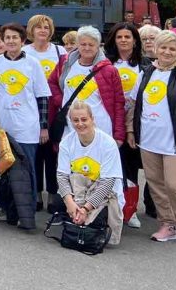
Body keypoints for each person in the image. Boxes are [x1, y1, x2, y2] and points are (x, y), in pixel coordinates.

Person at [126, 31, 176, 248]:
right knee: (156, 184)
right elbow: (133, 104)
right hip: (149, 140)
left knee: (174, 185)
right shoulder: (147, 72)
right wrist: (131, 130)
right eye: (163, 47)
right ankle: (167, 224)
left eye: (172, 49)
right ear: (156, 49)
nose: (167, 52)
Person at [47, 26, 125, 213]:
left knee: (98, 170)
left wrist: (119, 133)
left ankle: (98, 210)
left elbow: (118, 102)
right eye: (83, 44)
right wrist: (61, 101)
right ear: (77, 45)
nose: (87, 48)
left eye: (91, 44)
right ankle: (72, 208)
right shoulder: (66, 63)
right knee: (73, 168)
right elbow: (52, 83)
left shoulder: (109, 70)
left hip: (100, 126)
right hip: (72, 126)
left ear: (99, 46)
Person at [0, 22, 51, 224]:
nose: (11, 41)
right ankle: (3, 208)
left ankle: (26, 213)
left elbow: (42, 98)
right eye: (7, 37)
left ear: (23, 40)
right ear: (3, 41)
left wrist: (43, 126)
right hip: (4, 129)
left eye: (15, 37)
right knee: (2, 171)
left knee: (27, 172)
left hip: (27, 128)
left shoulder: (33, 64)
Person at [55, 100, 125, 246]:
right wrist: (70, 203)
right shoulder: (66, 143)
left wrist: (86, 208)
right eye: (75, 120)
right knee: (72, 182)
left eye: (84, 119)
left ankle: (86, 221)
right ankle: (77, 218)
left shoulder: (108, 143)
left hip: (104, 192)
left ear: (92, 119)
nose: (80, 124)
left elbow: (107, 183)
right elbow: (62, 176)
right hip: (79, 190)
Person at [104, 21, 152, 228]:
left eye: (127, 37)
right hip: (110, 121)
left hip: (135, 123)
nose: (123, 40)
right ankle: (107, 206)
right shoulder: (105, 62)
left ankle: (129, 209)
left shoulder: (146, 64)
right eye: (119, 37)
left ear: (135, 40)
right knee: (110, 166)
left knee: (131, 167)